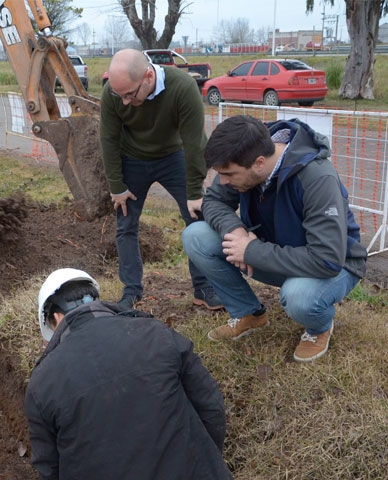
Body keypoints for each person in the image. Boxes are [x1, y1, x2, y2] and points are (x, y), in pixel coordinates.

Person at [182, 115, 367, 362]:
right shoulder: (244, 153)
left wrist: (251, 251)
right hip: (276, 251)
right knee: (196, 236)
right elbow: (214, 200)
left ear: (259, 163)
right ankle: (249, 314)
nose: (222, 180)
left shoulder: (317, 177)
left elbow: (327, 258)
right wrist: (234, 231)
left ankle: (318, 328)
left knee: (299, 297)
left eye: (228, 174)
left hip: (336, 264)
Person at [24, 268, 232, 479]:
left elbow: (49, 468)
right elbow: (211, 408)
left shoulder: (42, 382)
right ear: (96, 301)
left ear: (56, 317)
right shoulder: (157, 334)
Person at [100, 48, 222, 310]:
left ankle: (203, 287)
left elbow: (194, 143)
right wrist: (117, 186)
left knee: (196, 218)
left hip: (173, 157)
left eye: (130, 95)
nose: (124, 102)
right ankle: (131, 291)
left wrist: (194, 190)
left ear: (147, 76)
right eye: (118, 95)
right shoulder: (114, 92)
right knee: (126, 224)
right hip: (131, 158)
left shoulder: (183, 87)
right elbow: (108, 140)